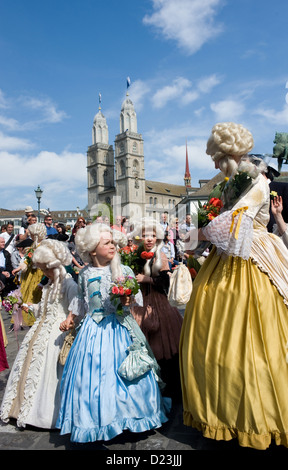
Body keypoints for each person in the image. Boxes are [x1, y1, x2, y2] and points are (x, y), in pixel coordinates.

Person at [180, 122, 288, 450]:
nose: (213, 163)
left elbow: (237, 222)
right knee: (215, 336)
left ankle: (257, 416)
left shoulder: (257, 179)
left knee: (256, 338)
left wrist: (198, 234)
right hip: (228, 257)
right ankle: (221, 410)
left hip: (252, 257)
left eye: (216, 157)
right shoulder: (230, 182)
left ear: (228, 154)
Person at [56, 223, 170, 443]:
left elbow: (134, 301)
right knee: (91, 377)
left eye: (113, 242)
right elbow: (81, 300)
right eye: (107, 242)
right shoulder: (85, 273)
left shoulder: (122, 270)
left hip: (119, 328)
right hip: (92, 331)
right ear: (91, 249)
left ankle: (131, 417)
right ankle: (99, 418)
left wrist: (127, 300)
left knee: (125, 374)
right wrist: (70, 319)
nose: (113, 246)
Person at [0, 239, 78, 429]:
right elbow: (44, 308)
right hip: (40, 329)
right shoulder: (49, 284)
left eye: (46, 269)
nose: (44, 273)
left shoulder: (69, 284)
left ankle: (48, 414)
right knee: (28, 368)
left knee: (50, 371)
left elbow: (76, 307)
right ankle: (23, 409)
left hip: (56, 334)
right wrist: (27, 306)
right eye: (42, 269)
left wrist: (69, 320)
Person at [131, 218, 183, 400]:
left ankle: (169, 388)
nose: (149, 239)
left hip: (158, 302)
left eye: (152, 235)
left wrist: (146, 280)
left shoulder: (160, 255)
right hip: (139, 302)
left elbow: (165, 282)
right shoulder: (135, 254)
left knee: (163, 342)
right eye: (145, 235)